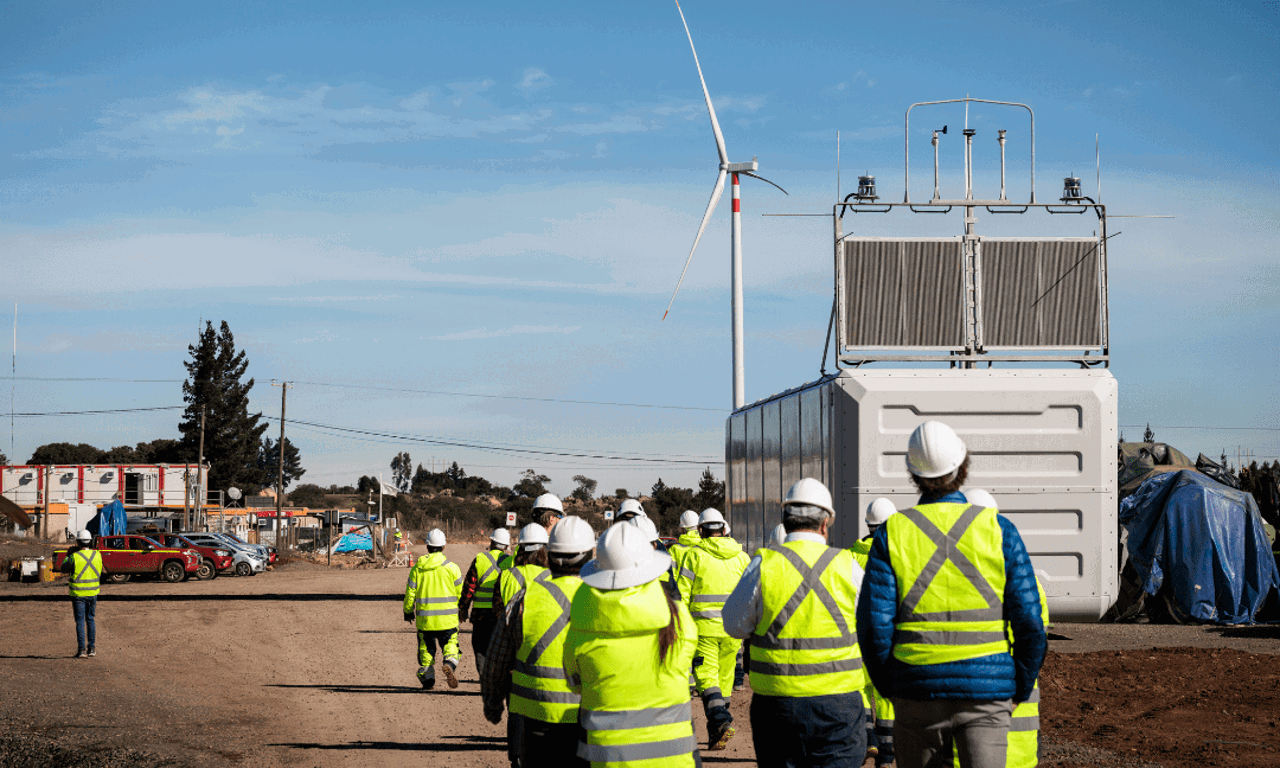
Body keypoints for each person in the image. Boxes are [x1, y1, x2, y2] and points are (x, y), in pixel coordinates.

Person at [856, 421, 1046, 768]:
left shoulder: (893, 533)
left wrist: (890, 687)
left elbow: (873, 625)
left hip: (916, 690)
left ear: (913, 474)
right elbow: (1031, 622)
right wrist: (1017, 685)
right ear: (962, 466)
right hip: (986, 693)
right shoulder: (998, 530)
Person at [724, 478, 869, 768]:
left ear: (785, 521)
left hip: (776, 704)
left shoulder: (763, 564)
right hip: (838, 703)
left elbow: (733, 625)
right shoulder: (846, 565)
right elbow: (871, 624)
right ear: (825, 523)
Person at [564, 522, 698, 767]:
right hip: (676, 758)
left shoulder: (581, 625)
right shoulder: (679, 618)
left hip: (607, 759)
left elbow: (575, 685)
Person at [942, 489, 1048, 768]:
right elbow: (1036, 642)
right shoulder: (1030, 584)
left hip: (964, 745)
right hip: (1021, 745)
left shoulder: (949, 585)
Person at [482, 516, 595, 768]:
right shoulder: (601, 598)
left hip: (534, 718)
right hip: (587, 720)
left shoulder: (525, 597)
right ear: (590, 555)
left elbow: (497, 658)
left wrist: (492, 704)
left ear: (551, 554)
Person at [676, 507, 749, 750]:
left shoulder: (694, 556)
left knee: (707, 676)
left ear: (701, 530)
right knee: (726, 679)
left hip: (704, 629)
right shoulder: (742, 557)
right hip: (733, 632)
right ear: (724, 529)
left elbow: (682, 595)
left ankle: (720, 720)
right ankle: (717, 730)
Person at [852, 498, 899, 768]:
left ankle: (868, 736)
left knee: (860, 685)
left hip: (858, 633)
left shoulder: (851, 555)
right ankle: (887, 752)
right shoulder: (898, 553)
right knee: (885, 693)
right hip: (889, 632)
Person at [403, 528, 463, 690]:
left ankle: (428, 676)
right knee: (450, 645)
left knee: (426, 649)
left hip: (425, 621)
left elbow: (410, 593)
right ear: (443, 546)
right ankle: (449, 662)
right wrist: (463, 611)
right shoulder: (452, 568)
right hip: (448, 620)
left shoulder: (418, 569)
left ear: (426, 546)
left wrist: (408, 611)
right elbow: (461, 594)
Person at [459, 527, 512, 676]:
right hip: (502, 615)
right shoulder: (511, 562)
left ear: (491, 542)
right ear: (507, 546)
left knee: (480, 647)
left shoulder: (480, 559)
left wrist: (463, 608)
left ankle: (484, 677)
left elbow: (469, 587)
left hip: (481, 615)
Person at [60, 529, 102, 659]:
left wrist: (68, 554)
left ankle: (82, 650)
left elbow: (63, 568)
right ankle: (92, 648)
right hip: (93, 593)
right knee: (90, 620)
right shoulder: (97, 555)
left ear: (78, 542)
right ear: (90, 541)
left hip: (78, 594)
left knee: (80, 622)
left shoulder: (74, 557)